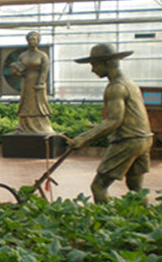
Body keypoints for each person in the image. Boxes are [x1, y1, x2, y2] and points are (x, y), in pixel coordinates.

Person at [71, 43, 154, 203]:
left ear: (107, 63)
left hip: (128, 141)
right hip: (144, 139)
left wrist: (84, 138)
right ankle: (145, 222)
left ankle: (105, 222)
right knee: (136, 188)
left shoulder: (115, 88)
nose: (92, 70)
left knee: (98, 187)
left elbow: (114, 121)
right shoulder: (130, 83)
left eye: (94, 64)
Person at [10, 31, 55, 135]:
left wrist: (40, 82)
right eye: (30, 39)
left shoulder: (42, 55)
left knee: (38, 103)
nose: (32, 41)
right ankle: (24, 126)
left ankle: (40, 126)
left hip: (37, 83)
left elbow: (45, 70)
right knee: (26, 102)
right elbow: (20, 68)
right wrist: (16, 72)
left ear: (38, 41)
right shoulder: (23, 55)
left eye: (34, 39)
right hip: (26, 82)